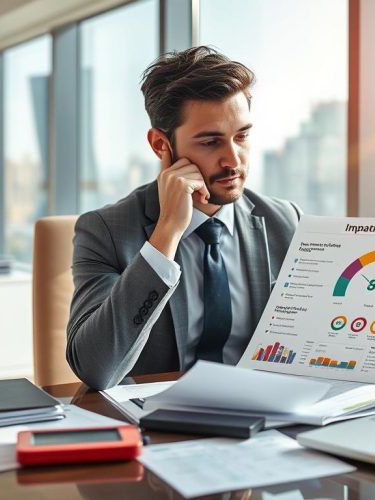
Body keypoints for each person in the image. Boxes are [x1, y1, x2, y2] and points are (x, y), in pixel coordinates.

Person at [66, 46, 301, 390]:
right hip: (159, 428)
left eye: (242, 137)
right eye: (210, 142)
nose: (233, 160)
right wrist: (166, 235)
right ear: (161, 145)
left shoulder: (287, 222)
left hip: (263, 419)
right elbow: (96, 369)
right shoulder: (106, 232)